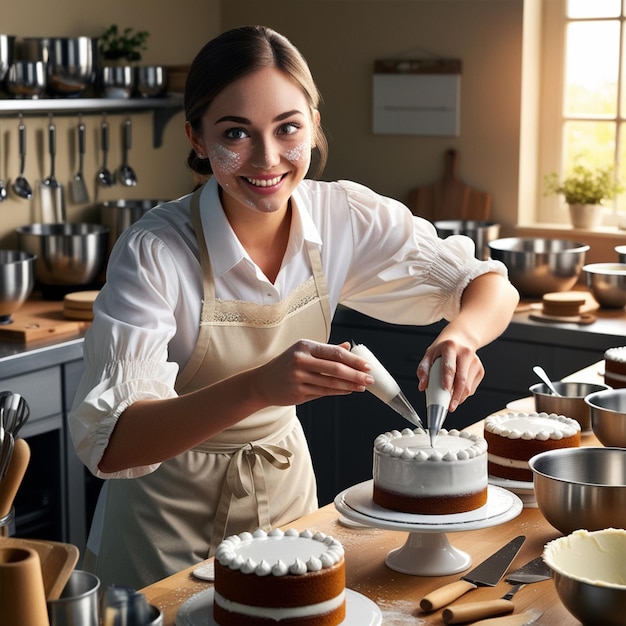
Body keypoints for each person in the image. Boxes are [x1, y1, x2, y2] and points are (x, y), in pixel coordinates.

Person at [69, 24, 519, 590]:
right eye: (236, 133)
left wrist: (461, 337)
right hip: (162, 533)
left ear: (313, 125)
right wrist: (259, 387)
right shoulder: (155, 251)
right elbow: (112, 445)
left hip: (286, 509)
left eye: (288, 128)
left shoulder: (343, 217)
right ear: (198, 139)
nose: (267, 159)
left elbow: (489, 284)